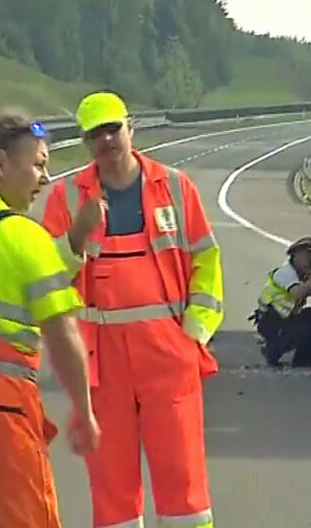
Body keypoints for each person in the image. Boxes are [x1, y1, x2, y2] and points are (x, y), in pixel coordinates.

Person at [41, 91, 224, 528]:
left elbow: (207, 261)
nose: (106, 140)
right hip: (100, 358)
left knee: (184, 482)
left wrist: (194, 334)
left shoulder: (176, 187)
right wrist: (75, 239)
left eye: (112, 129)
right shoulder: (66, 197)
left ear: (130, 128)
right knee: (111, 483)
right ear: (86, 141)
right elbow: (46, 278)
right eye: (95, 134)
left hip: (168, 352)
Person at [0, 111, 100, 528]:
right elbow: (63, 332)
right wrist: (83, 411)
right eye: (38, 164)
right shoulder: (23, 235)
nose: (45, 178)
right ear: (0, 165)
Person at [252, 237, 311, 367]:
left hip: (284, 320)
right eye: (307, 256)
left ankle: (303, 359)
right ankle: (273, 349)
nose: (309, 260)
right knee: (305, 324)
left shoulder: (301, 275)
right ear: (295, 256)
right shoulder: (285, 273)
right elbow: (298, 292)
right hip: (272, 323)